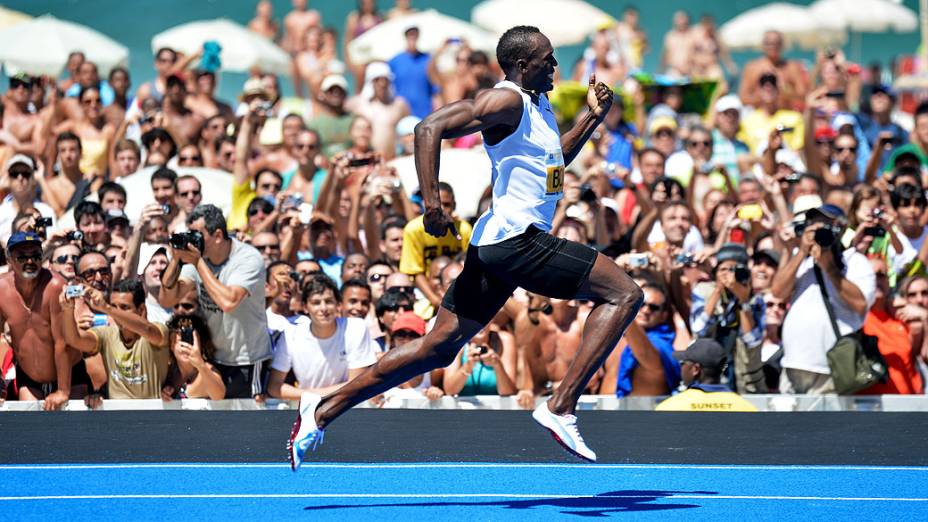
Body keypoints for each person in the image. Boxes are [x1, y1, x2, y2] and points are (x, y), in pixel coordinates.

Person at [288, 26, 643, 469]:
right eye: (547, 60)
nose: (555, 66)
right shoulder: (507, 100)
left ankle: (320, 411)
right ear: (521, 66)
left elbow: (553, 162)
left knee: (436, 348)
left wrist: (592, 119)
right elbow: (428, 127)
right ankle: (560, 405)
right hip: (517, 241)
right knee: (625, 293)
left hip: (496, 246)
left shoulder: (539, 103)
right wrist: (432, 204)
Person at [158, 204, 272, 398]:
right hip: (214, 357)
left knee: (248, 420)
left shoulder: (248, 258)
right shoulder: (199, 259)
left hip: (247, 360)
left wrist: (197, 262)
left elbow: (228, 302)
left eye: (197, 235)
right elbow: (167, 298)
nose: (193, 241)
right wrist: (176, 260)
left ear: (218, 235)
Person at [771, 204, 876, 394]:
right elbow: (778, 291)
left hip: (831, 369)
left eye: (825, 226)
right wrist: (801, 251)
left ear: (841, 229)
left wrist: (829, 268)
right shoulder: (801, 261)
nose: (818, 232)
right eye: (813, 226)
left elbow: (860, 305)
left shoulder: (855, 262)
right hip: (793, 364)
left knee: (826, 424)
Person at [268, 274, 377, 399]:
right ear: (305, 307)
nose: (323, 308)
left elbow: (357, 385)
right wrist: (313, 398)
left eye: (329, 301)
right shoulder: (290, 334)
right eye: (316, 303)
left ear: (338, 305)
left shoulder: (356, 328)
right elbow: (274, 387)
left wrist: (310, 396)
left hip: (346, 406)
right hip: (306, 408)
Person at [59, 278, 170, 400]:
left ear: (141, 310)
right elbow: (74, 340)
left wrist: (107, 308)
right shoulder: (107, 334)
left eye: (124, 307)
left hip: (154, 415)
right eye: (114, 306)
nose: (117, 313)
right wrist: (67, 309)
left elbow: (147, 329)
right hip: (116, 417)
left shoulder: (159, 331)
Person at [0, 232, 73, 409]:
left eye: (35, 255)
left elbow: (62, 342)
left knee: (76, 431)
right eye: (22, 257)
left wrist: (63, 390)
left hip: (69, 377)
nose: (30, 261)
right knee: (31, 431)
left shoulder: (55, 286)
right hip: (29, 377)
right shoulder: (1, 289)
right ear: (9, 259)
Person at [399, 182, 472, 307]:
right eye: (437, 205)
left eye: (447, 204)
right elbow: (415, 272)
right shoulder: (413, 229)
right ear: (426, 205)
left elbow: (469, 266)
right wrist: (436, 301)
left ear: (454, 205)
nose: (442, 209)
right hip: (425, 291)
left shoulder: (464, 229)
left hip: (457, 288)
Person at [655, 338, 759, 412]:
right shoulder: (748, 408)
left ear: (695, 369)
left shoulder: (668, 408)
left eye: (683, 363)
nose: (681, 367)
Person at [739, 30, 809, 110]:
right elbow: (743, 98)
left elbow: (804, 94)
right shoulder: (752, 68)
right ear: (763, 45)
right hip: (760, 116)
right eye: (768, 43)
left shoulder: (792, 67)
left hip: (785, 114)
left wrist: (786, 93)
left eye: (776, 43)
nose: (772, 46)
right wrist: (763, 96)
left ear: (782, 45)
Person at [0, 154, 55, 247]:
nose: (20, 178)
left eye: (25, 174)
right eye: (14, 174)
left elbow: (52, 243)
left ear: (33, 179)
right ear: (8, 178)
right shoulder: (1, 212)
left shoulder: (46, 211)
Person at [388, 26, 437, 119]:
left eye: (415, 35)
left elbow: (435, 92)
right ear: (405, 37)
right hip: (401, 116)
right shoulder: (394, 61)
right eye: (410, 35)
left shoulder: (428, 60)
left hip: (424, 115)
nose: (412, 38)